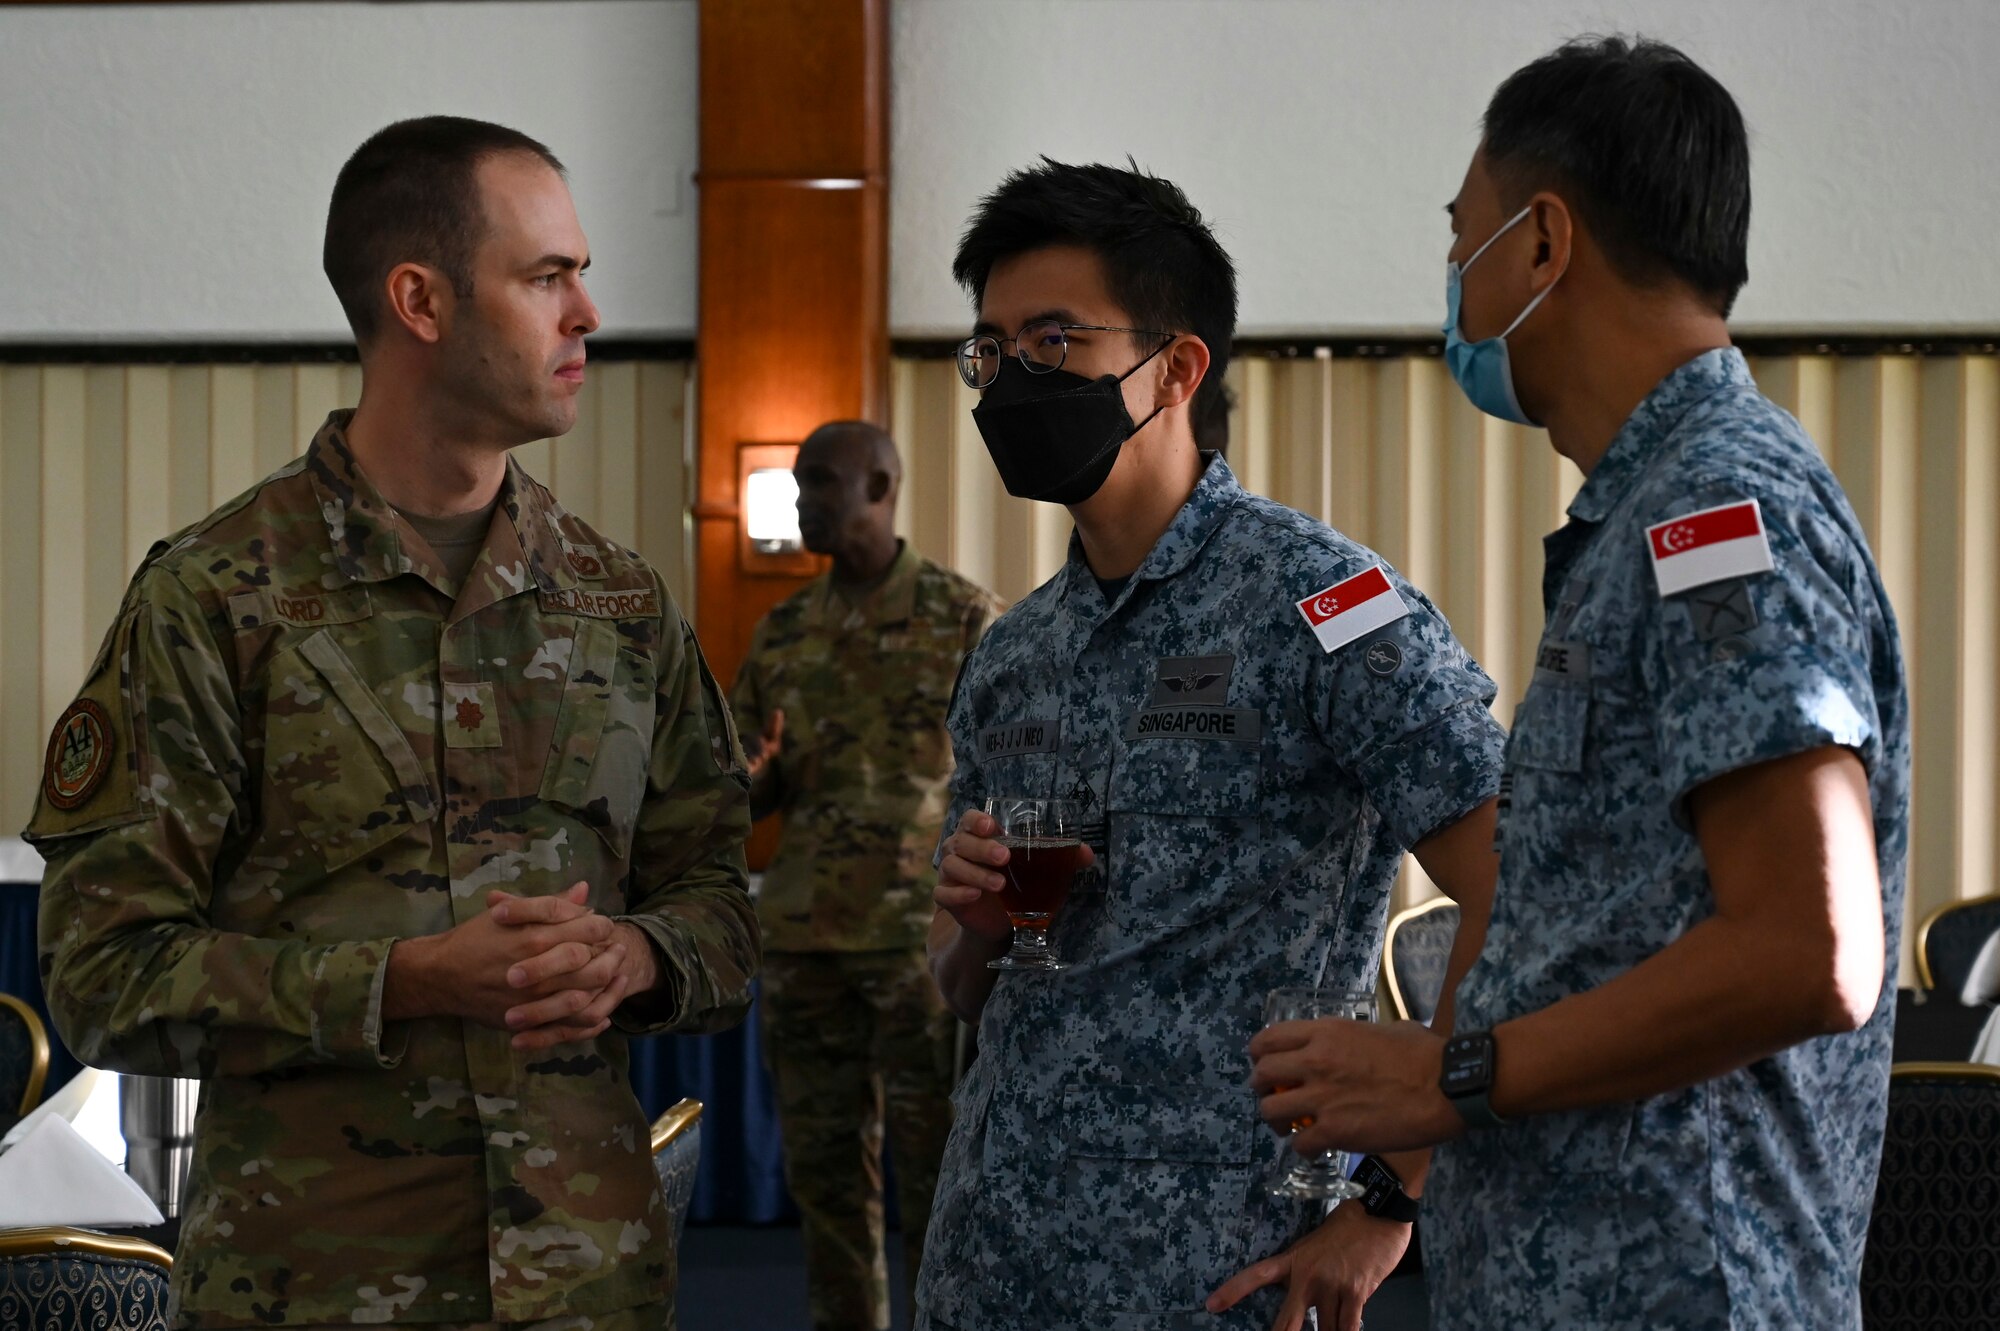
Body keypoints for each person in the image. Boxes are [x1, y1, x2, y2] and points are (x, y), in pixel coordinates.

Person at [25, 116, 760, 1331]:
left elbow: (726, 911)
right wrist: (403, 981)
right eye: (546, 277)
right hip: (311, 1284)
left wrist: (638, 958)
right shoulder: (217, 599)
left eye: (579, 272)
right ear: (418, 301)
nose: (586, 312)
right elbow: (105, 976)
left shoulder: (618, 602)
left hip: (588, 1282)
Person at [1248, 37, 1909, 1330]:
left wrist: (1457, 1071)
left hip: (1677, 1277)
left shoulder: (1718, 511)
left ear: (1542, 245)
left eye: (1463, 237)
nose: (1452, 279)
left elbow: (1811, 950)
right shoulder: (1649, 515)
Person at [917, 158, 1507, 1331]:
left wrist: (1393, 1205)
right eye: (989, 350)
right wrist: (975, 922)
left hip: (1216, 1269)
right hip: (993, 1251)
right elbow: (959, 979)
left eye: (1051, 343)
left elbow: (1516, 893)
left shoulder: (1322, 607)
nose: (1008, 381)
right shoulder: (1013, 652)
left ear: (1174, 366)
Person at [729, 420, 1003, 1331]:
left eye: (820, 484)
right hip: (805, 943)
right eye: (800, 484)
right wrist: (754, 776)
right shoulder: (783, 631)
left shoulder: (964, 616)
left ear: (881, 484)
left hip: (918, 949)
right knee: (828, 1189)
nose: (801, 501)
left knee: (935, 1187)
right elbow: (740, 792)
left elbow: (1016, 777)